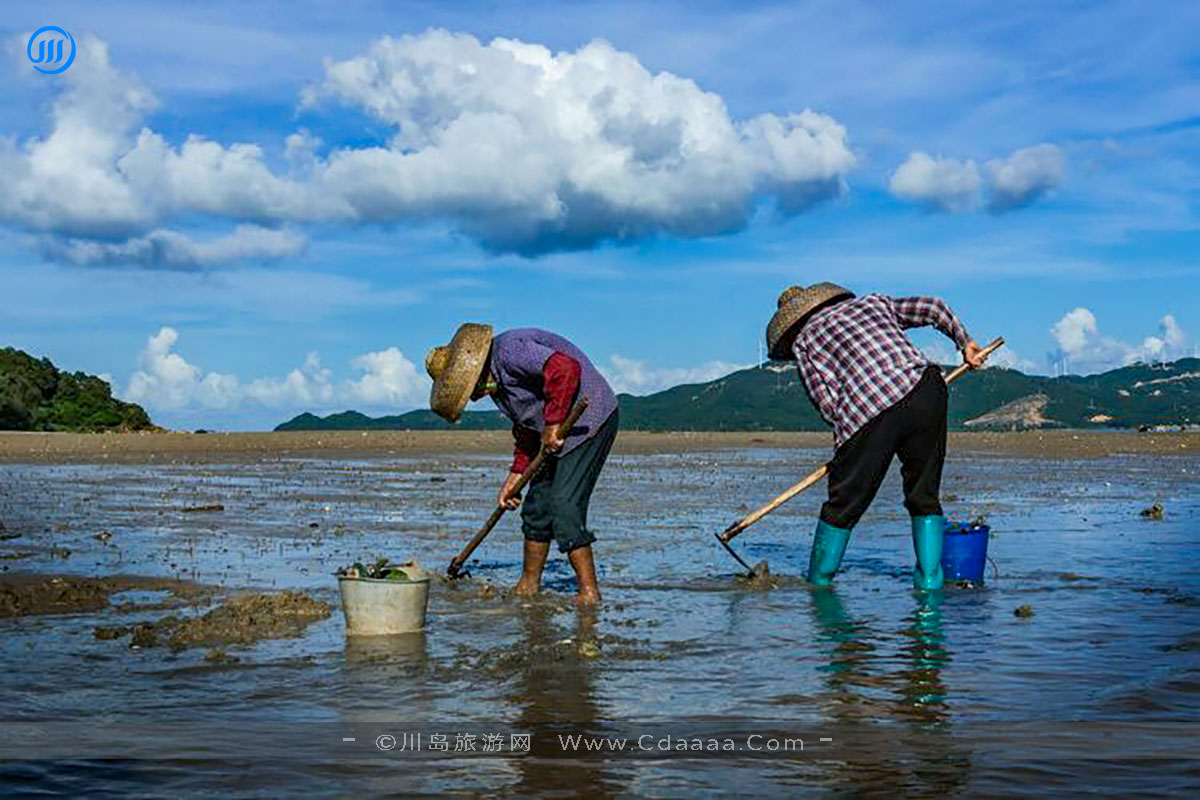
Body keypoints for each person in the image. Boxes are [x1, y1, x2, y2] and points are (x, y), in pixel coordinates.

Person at [765, 284, 986, 590]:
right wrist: (966, 343)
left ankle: (819, 583)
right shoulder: (872, 303)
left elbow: (826, 403)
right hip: (925, 389)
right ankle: (930, 587)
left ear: (793, 325)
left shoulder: (805, 341)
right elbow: (933, 307)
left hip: (868, 410)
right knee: (924, 496)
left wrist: (847, 452)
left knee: (842, 504)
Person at [426, 324, 618, 605]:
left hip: (588, 422)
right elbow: (527, 430)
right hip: (553, 433)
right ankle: (528, 585)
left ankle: (589, 593)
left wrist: (553, 424)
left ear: (474, 371)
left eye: (470, 391)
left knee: (565, 506)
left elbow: (565, 369)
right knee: (537, 508)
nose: (474, 397)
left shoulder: (510, 350)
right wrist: (514, 478)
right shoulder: (498, 389)